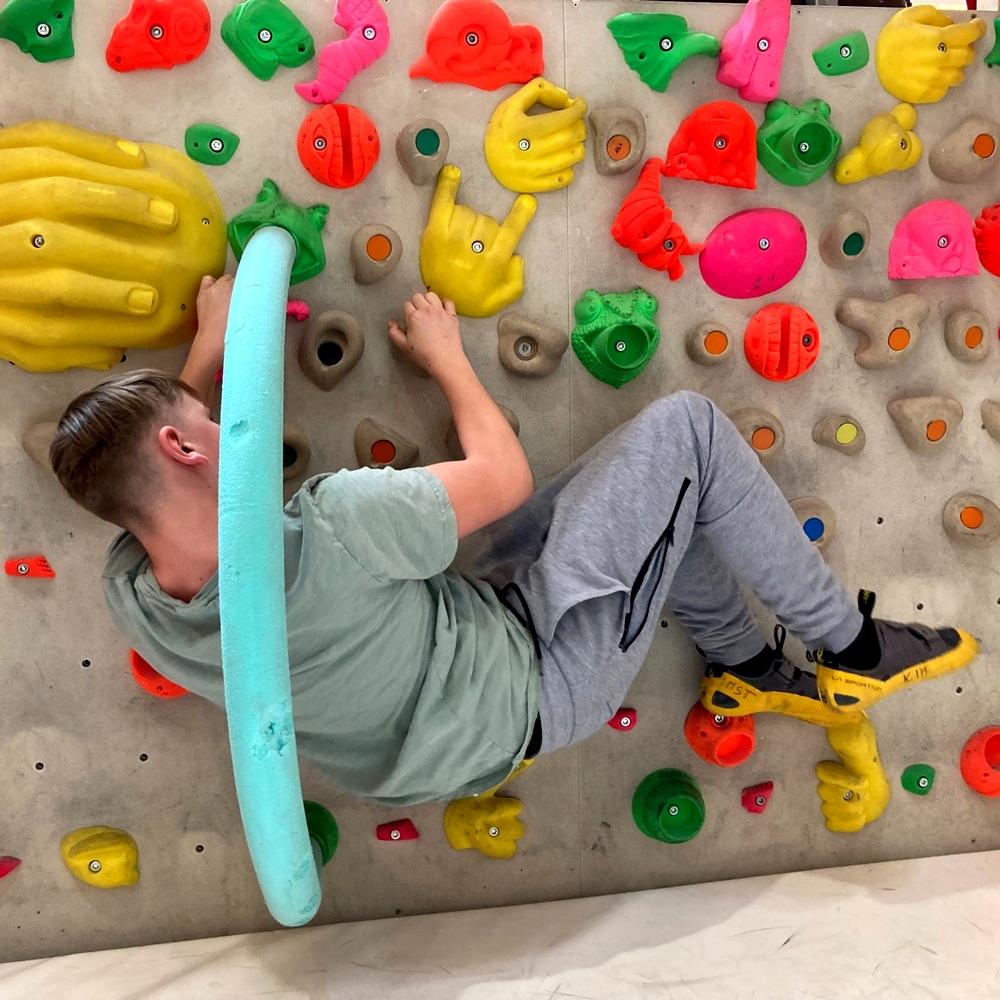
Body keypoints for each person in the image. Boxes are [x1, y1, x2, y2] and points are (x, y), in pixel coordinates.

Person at [49, 279, 979, 806]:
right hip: (534, 680)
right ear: (184, 446)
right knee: (689, 433)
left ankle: (746, 666)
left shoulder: (136, 596)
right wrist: (446, 357)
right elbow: (503, 476)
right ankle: (853, 650)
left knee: (668, 505)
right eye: (209, 421)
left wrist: (204, 353)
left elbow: (157, 468)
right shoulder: (334, 526)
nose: (228, 424)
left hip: (436, 726)